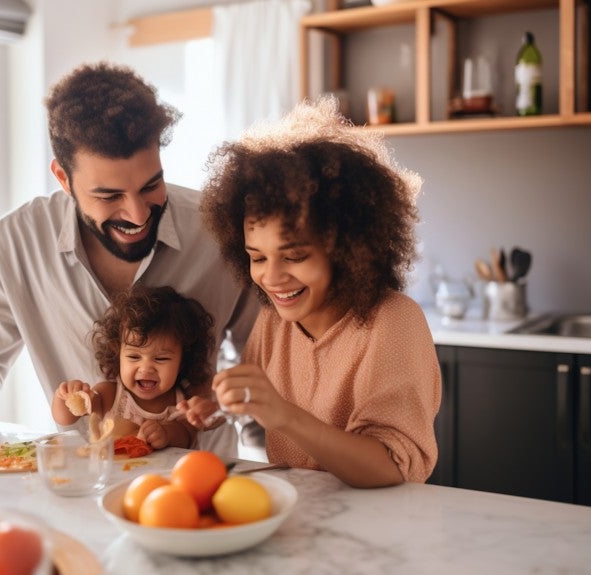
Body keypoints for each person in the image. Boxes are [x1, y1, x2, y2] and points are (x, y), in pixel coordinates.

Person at [0, 62, 258, 488]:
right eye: (109, 195)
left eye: (151, 185)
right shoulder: (14, 245)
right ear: (63, 178)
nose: (137, 214)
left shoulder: (220, 232)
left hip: (202, 483)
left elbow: (268, 358)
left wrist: (224, 404)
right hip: (80, 487)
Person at [179, 99, 441, 488]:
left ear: (348, 248)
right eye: (257, 257)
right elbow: (261, 398)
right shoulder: (274, 319)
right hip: (302, 521)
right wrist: (221, 407)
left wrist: (283, 415)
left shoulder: (393, 321)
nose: (271, 277)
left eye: (295, 256)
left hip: (381, 533)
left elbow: (394, 468)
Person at [53, 285, 214, 450]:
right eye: (134, 357)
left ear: (182, 362)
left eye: (161, 358)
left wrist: (166, 433)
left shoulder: (183, 401)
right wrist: (67, 395)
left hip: (168, 475)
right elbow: (64, 419)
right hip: (114, 475)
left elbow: (187, 436)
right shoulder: (110, 395)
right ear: (118, 355)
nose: (145, 368)